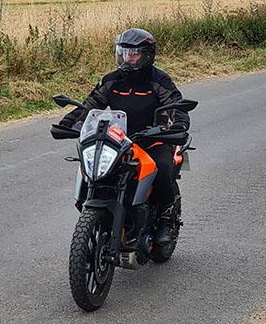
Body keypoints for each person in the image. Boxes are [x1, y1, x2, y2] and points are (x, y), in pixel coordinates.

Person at [59, 27, 190, 243]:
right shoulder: (111, 80)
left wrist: (177, 127)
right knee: (94, 168)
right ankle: (97, 210)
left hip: (154, 140)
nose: (128, 59)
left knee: (163, 168)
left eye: (134, 53)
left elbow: (176, 106)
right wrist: (69, 123)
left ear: (147, 55)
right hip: (120, 141)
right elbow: (90, 105)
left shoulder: (159, 81)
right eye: (124, 53)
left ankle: (167, 217)